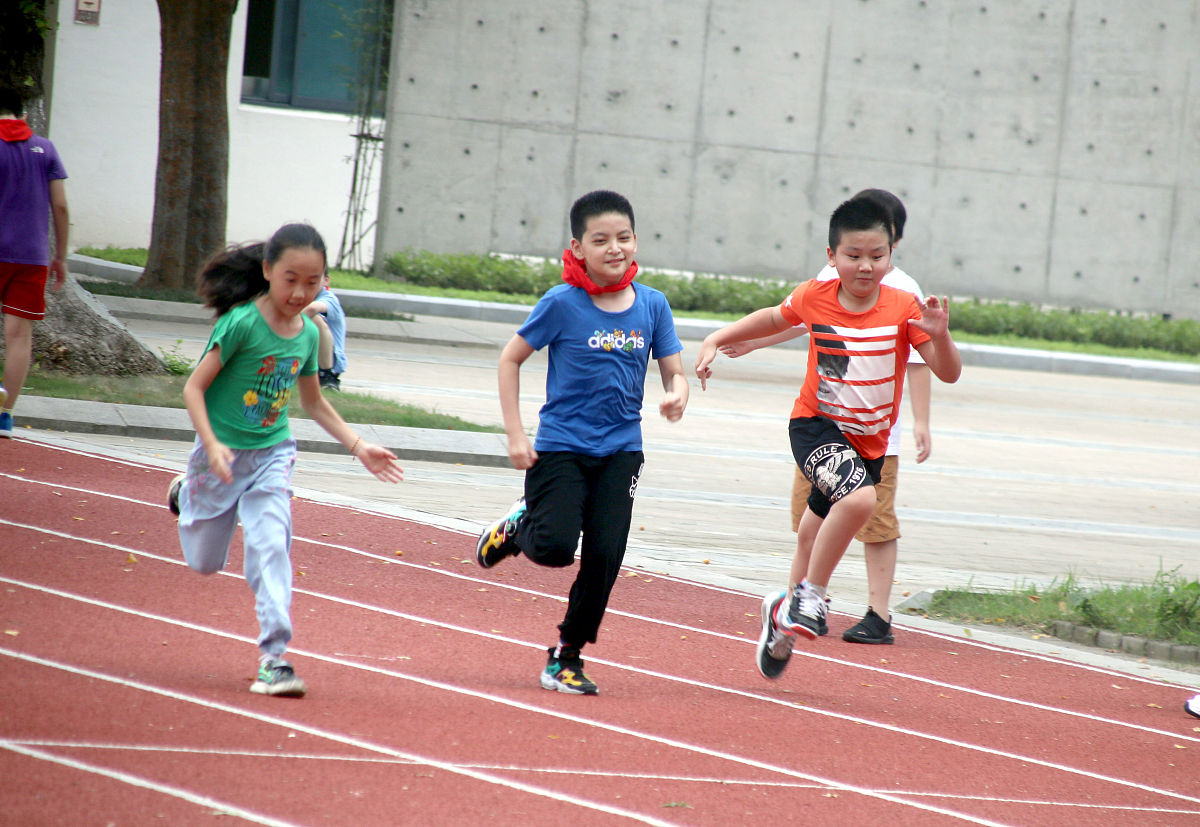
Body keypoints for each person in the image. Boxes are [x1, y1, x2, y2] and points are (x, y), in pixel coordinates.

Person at [694, 196, 961, 681]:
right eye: (853, 256)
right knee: (859, 502)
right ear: (831, 255)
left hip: (869, 441)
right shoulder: (815, 295)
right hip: (815, 425)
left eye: (876, 256)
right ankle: (810, 597)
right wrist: (718, 338)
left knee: (811, 533)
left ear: (890, 255)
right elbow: (774, 318)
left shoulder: (905, 307)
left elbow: (948, 374)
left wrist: (941, 337)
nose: (865, 265)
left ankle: (781, 622)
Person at [168, 223, 403, 697]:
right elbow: (194, 387)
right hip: (219, 456)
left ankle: (274, 658)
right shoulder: (240, 323)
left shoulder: (309, 336)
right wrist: (211, 445)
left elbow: (313, 403)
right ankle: (183, 491)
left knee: (270, 544)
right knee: (204, 563)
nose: (300, 292)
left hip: (272, 455)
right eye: (291, 279)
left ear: (325, 284)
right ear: (268, 271)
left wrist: (360, 446)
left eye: (312, 283)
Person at [474, 190, 689, 695]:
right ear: (578, 247)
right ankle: (520, 524)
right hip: (561, 446)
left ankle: (566, 655)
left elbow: (673, 372)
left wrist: (676, 396)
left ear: (636, 241)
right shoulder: (562, 303)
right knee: (552, 550)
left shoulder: (653, 306)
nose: (615, 248)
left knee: (605, 555)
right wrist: (515, 434)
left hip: (621, 449)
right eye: (601, 240)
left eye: (624, 237)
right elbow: (510, 359)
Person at [0, 89, 70, 438]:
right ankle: (4, 414)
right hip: (32, 257)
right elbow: (60, 206)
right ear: (21, 114)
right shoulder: (46, 149)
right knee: (19, 338)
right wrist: (60, 255)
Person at [302, 269, 347, 390]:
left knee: (314, 319)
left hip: (330, 361)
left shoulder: (329, 299)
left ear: (326, 280)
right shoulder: (299, 296)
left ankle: (327, 376)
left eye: (314, 278)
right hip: (306, 359)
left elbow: (311, 310)